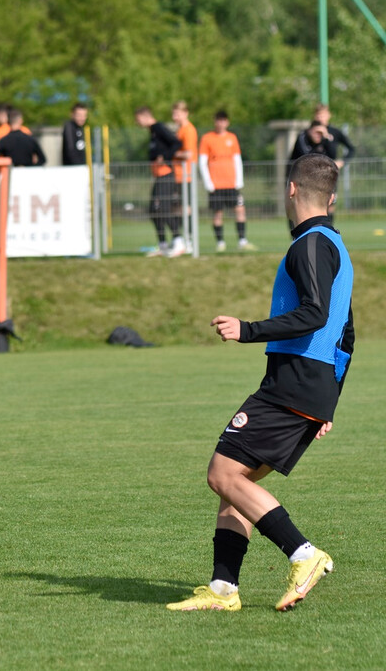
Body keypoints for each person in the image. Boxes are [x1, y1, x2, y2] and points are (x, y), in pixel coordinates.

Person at [167, 153, 353, 613]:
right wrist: (331, 399)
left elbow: (316, 314)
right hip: (311, 384)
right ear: (330, 198)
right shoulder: (334, 245)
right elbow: (347, 331)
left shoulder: (309, 245)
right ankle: (223, 589)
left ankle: (303, 554)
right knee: (239, 481)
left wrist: (247, 329)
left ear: (290, 189)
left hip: (294, 383)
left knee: (222, 473)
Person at [199, 110, 255, 252]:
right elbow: (202, 162)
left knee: (240, 210)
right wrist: (208, 182)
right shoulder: (207, 138)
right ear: (215, 121)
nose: (221, 123)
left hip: (231, 184)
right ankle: (220, 243)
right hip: (216, 185)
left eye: (223, 120)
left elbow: (237, 160)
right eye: (218, 120)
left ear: (227, 122)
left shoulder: (232, 138)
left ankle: (242, 240)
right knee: (218, 214)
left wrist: (239, 180)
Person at [135, 106, 185, 257]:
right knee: (154, 210)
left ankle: (179, 240)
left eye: (138, 120)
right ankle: (162, 244)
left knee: (163, 208)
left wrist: (165, 157)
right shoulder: (152, 132)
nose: (138, 123)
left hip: (167, 175)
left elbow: (176, 143)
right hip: (158, 176)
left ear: (144, 117)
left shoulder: (159, 127)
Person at [312, 104, 356, 168]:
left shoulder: (335, 132)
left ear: (329, 115)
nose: (320, 117)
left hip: (330, 169)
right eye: (318, 115)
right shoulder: (307, 133)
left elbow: (351, 148)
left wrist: (342, 162)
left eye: (323, 115)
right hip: (313, 169)